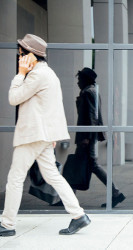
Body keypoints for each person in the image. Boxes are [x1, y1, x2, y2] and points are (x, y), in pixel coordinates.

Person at [0, 34, 90, 237]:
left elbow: (14, 98)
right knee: (52, 176)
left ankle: (7, 224)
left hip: (33, 135)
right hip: (43, 135)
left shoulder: (35, 75)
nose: (18, 56)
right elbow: (54, 108)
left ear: (30, 55)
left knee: (15, 178)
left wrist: (20, 74)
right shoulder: (48, 73)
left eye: (21, 53)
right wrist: (52, 135)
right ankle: (78, 215)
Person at [75, 67, 125, 208]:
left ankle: (115, 192)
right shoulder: (92, 91)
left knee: (91, 165)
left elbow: (91, 116)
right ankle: (68, 197)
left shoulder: (87, 92)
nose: (78, 82)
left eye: (79, 79)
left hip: (86, 137)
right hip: (88, 135)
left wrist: (87, 137)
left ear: (86, 79)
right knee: (80, 165)